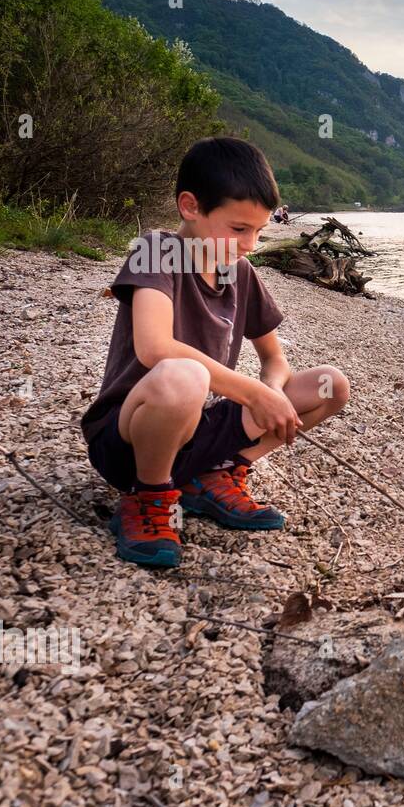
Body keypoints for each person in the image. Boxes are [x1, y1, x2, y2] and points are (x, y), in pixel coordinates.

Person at [80, 137, 350, 567]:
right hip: (128, 438)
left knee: (330, 384)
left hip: (197, 432)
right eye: (239, 229)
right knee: (183, 374)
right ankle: (148, 497)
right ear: (191, 206)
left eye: (259, 231)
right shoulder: (156, 252)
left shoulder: (240, 272)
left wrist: (272, 390)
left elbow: (274, 359)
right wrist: (251, 394)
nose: (249, 244)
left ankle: (215, 475)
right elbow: (155, 348)